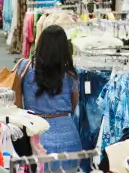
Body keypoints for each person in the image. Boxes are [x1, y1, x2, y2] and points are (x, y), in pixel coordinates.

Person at [12, 25, 82, 159]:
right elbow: (74, 105)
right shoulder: (70, 73)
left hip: (36, 131)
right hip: (68, 135)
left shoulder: (24, 67)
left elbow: (17, 105)